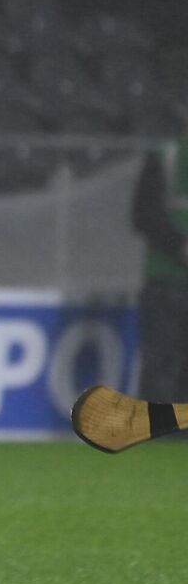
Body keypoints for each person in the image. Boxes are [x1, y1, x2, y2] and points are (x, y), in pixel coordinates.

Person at [131, 140, 188, 404]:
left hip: (167, 283)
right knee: (161, 362)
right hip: (167, 281)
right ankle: (157, 433)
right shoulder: (165, 158)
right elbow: (143, 214)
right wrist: (179, 246)